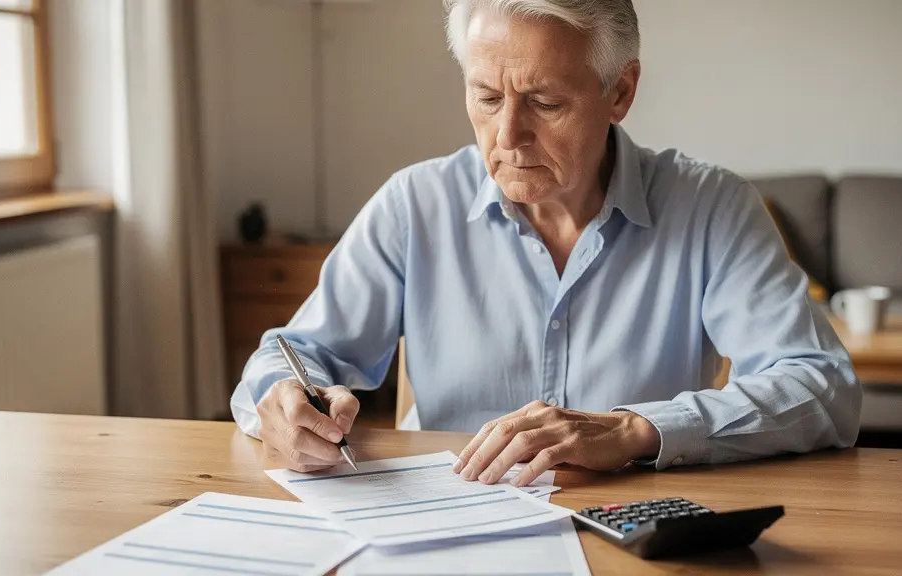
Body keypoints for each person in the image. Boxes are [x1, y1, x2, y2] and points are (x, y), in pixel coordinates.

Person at [231, 0, 860, 488]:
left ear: (621, 92)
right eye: (485, 96)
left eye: (545, 102)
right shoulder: (413, 204)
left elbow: (823, 386)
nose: (508, 135)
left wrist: (635, 429)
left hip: (631, 532)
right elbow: (290, 355)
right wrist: (284, 402)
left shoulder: (711, 206)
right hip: (442, 531)